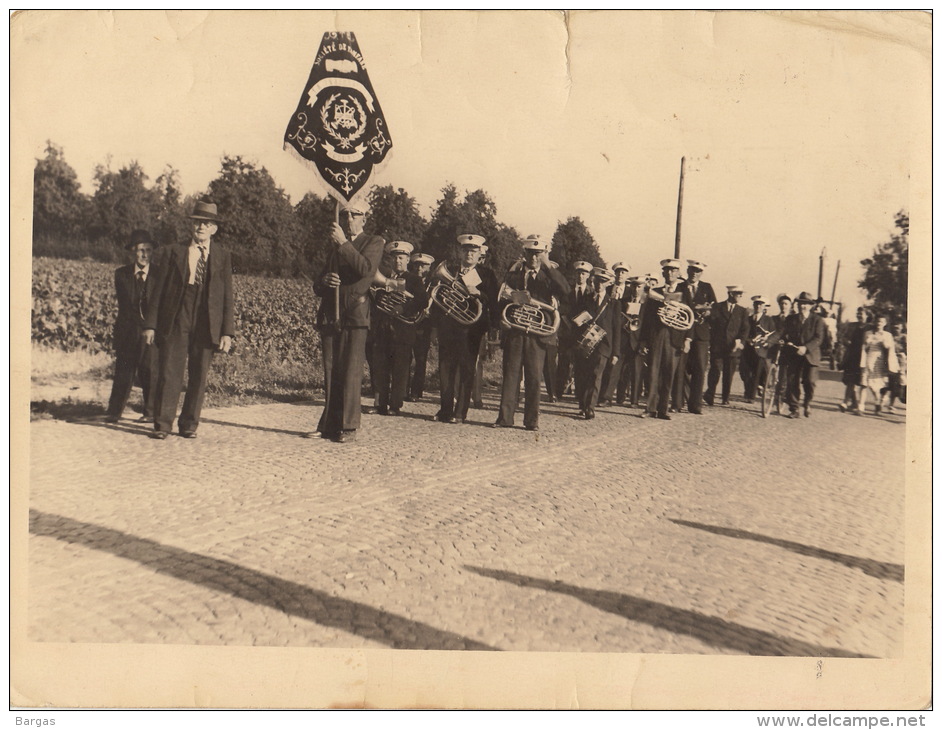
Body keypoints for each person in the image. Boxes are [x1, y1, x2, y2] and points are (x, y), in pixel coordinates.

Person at [142, 201, 234, 440]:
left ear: (214, 228)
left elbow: (227, 296)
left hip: (207, 320)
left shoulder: (222, 256)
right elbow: (157, 291)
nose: (201, 227)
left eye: (207, 223)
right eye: (197, 222)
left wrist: (227, 332)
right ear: (191, 226)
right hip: (177, 317)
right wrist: (151, 324)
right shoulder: (174, 251)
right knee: (169, 372)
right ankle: (162, 425)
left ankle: (189, 425)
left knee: (199, 374)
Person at [311, 200, 385, 443]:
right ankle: (329, 424)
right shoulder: (335, 245)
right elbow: (317, 283)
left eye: (355, 215)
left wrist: (343, 243)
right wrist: (325, 281)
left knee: (352, 372)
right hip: (332, 313)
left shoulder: (374, 242)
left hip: (355, 314)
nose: (350, 219)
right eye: (346, 215)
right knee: (331, 371)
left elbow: (365, 268)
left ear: (365, 218)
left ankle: (349, 426)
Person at [493, 234, 570, 431]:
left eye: (538, 254)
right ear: (524, 254)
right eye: (530, 253)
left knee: (534, 379)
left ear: (543, 254)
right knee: (511, 376)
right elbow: (501, 301)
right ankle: (505, 418)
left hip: (538, 335)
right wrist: (502, 320)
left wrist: (548, 265)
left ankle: (531, 421)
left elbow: (565, 290)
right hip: (515, 333)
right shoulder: (513, 276)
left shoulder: (549, 278)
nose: (534, 258)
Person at [430, 234, 499, 424]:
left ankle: (460, 412)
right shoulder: (450, 271)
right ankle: (445, 410)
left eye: (473, 251)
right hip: (448, 327)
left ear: (479, 254)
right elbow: (438, 299)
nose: (469, 254)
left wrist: (480, 293)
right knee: (445, 370)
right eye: (466, 250)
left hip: (472, 330)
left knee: (466, 369)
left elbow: (494, 301)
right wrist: (436, 327)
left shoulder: (487, 274)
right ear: (460, 252)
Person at [105, 229, 160, 423]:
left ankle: (150, 412)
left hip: (151, 330)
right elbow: (125, 306)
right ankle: (114, 411)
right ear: (133, 252)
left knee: (149, 371)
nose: (145, 255)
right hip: (128, 329)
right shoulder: (121, 274)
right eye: (140, 250)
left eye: (148, 250)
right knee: (124, 370)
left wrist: (151, 327)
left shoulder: (159, 274)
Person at [370, 241, 429, 416]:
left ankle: (395, 405)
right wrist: (379, 296)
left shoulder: (414, 279)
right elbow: (379, 299)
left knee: (400, 368)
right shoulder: (386, 276)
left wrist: (403, 308)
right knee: (380, 367)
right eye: (395, 258)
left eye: (401, 258)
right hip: (383, 329)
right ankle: (380, 403)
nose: (398, 261)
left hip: (403, 330)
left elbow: (422, 301)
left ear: (408, 259)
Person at [639, 259, 688, 420]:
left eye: (673, 270)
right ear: (663, 273)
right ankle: (650, 408)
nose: (670, 273)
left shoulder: (685, 291)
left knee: (669, 374)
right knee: (652, 372)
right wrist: (643, 341)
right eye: (667, 270)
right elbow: (646, 319)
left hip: (675, 337)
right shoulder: (655, 292)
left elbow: (690, 317)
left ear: (678, 273)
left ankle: (663, 409)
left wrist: (688, 339)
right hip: (657, 335)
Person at [573, 267, 621, 420]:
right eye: (597, 281)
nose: (599, 285)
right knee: (582, 375)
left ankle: (590, 407)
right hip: (586, 342)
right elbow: (576, 321)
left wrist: (616, 353)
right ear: (593, 281)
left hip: (603, 344)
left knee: (596, 375)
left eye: (603, 282)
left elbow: (616, 329)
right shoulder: (585, 299)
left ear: (608, 284)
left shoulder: (613, 303)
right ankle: (583, 403)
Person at [672, 259, 716, 414]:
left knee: (700, 368)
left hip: (701, 334)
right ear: (688, 271)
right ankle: (677, 402)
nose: (694, 274)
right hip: (683, 331)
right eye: (691, 271)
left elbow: (714, 308)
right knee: (680, 368)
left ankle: (695, 404)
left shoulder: (707, 287)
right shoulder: (680, 286)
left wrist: (707, 311)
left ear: (701, 273)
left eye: (697, 271)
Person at [782, 291, 827, 419]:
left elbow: (819, 338)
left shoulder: (817, 320)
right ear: (797, 304)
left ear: (811, 306)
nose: (803, 306)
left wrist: (806, 347)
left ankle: (807, 403)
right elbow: (783, 334)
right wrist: (783, 340)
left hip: (811, 354)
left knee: (810, 381)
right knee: (792, 381)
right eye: (801, 303)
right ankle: (794, 409)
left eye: (806, 304)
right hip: (794, 354)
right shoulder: (791, 319)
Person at [704, 285, 749, 406]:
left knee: (729, 373)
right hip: (718, 346)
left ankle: (725, 397)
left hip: (733, 347)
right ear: (730, 294)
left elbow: (745, 329)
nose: (740, 296)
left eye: (741, 294)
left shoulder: (742, 311)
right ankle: (710, 395)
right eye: (738, 293)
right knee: (715, 371)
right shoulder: (717, 307)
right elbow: (711, 322)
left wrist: (740, 341)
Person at [554, 260, 592, 400]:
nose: (581, 276)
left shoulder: (592, 292)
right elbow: (562, 309)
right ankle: (557, 392)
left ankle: (579, 394)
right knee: (563, 363)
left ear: (588, 276)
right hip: (568, 332)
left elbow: (592, 312)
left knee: (582, 365)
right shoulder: (568, 290)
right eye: (579, 273)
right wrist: (568, 323)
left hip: (584, 333)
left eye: (583, 274)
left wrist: (582, 323)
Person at [598, 262, 631, 407]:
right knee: (605, 365)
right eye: (618, 272)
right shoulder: (608, 288)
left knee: (618, 367)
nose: (620, 275)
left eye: (623, 272)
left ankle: (613, 396)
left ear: (627, 275)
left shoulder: (632, 291)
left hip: (625, 334)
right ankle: (603, 395)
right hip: (607, 332)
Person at [406, 252, 434, 402]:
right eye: (417, 265)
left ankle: (416, 391)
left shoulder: (433, 285)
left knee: (421, 358)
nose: (419, 268)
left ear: (429, 268)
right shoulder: (409, 282)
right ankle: (403, 389)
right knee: (405, 356)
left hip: (424, 324)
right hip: (408, 322)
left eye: (423, 266)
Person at [857, 313, 898, 416]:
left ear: (885, 323)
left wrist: (885, 344)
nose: (878, 323)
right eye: (877, 321)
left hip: (880, 362)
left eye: (881, 322)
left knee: (876, 387)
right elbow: (863, 348)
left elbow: (890, 349)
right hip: (868, 360)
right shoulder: (868, 333)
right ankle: (860, 408)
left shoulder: (887, 335)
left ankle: (878, 405)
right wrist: (866, 343)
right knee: (864, 384)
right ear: (874, 322)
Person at [740, 294, 774, 403]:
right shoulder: (748, 319)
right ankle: (749, 390)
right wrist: (748, 340)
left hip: (761, 351)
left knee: (756, 372)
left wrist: (766, 341)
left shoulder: (768, 320)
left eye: (760, 305)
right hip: (748, 349)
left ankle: (751, 396)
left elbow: (773, 333)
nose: (758, 307)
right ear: (753, 305)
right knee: (744, 371)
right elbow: (743, 331)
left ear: (764, 307)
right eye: (756, 304)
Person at [838, 307, 870, 413]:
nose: (859, 316)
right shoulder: (852, 325)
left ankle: (856, 403)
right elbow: (843, 338)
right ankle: (845, 402)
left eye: (862, 314)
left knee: (860, 381)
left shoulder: (870, 328)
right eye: (858, 314)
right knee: (850, 380)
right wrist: (846, 341)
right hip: (852, 355)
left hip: (864, 357)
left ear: (867, 315)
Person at [885, 321, 907, 413]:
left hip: (901, 362)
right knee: (890, 382)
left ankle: (894, 403)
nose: (896, 328)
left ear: (902, 327)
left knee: (900, 382)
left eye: (898, 326)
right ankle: (889, 404)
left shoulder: (904, 337)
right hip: (890, 361)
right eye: (894, 326)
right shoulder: (889, 336)